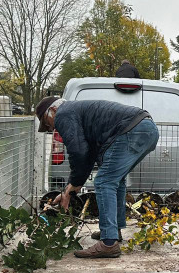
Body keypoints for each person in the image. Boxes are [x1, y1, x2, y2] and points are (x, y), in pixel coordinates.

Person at [34, 94, 159, 258]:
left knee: (104, 182)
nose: (51, 128)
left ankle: (108, 243)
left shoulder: (63, 114)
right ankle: (114, 231)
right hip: (147, 129)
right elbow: (88, 154)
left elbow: (78, 152)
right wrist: (68, 191)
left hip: (131, 130)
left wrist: (73, 185)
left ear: (52, 111)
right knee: (115, 180)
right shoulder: (79, 112)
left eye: (46, 122)